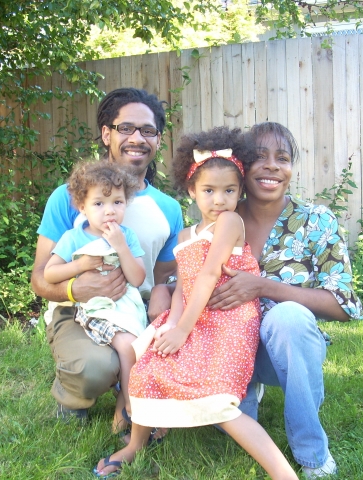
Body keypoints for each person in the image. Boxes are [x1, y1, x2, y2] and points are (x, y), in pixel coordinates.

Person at [92, 127, 299, 480]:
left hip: (227, 320)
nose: (219, 200)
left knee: (218, 398)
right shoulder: (187, 235)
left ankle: (283, 473)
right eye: (209, 191)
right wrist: (173, 323)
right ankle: (136, 443)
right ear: (191, 191)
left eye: (229, 190)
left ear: (240, 192)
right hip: (190, 315)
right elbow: (183, 284)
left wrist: (183, 328)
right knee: (146, 369)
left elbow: (207, 276)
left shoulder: (231, 222)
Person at [204, 122, 363, 478]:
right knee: (230, 428)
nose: (272, 165)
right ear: (241, 168)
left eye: (283, 158)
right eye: (259, 157)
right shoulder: (220, 218)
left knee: (287, 317)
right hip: (230, 344)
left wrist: (263, 287)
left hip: (291, 345)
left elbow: (343, 304)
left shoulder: (316, 221)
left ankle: (312, 453)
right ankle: (244, 388)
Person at [30, 88, 183, 432]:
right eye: (126, 128)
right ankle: (74, 394)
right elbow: (39, 278)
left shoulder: (169, 210)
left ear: (158, 140)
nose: (137, 138)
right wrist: (76, 287)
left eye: (148, 131)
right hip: (77, 310)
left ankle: (130, 402)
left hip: (134, 309)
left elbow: (164, 278)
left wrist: (163, 294)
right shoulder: (70, 198)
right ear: (106, 134)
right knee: (96, 367)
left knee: (157, 351)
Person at [43, 161, 147, 420]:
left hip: (125, 305)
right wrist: (80, 264)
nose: (109, 211)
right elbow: (49, 273)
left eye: (117, 203)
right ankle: (133, 404)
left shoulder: (127, 236)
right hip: (91, 309)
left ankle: (124, 409)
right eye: (99, 204)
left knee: (137, 348)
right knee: (127, 346)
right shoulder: (74, 237)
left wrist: (121, 246)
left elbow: (137, 278)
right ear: (82, 207)